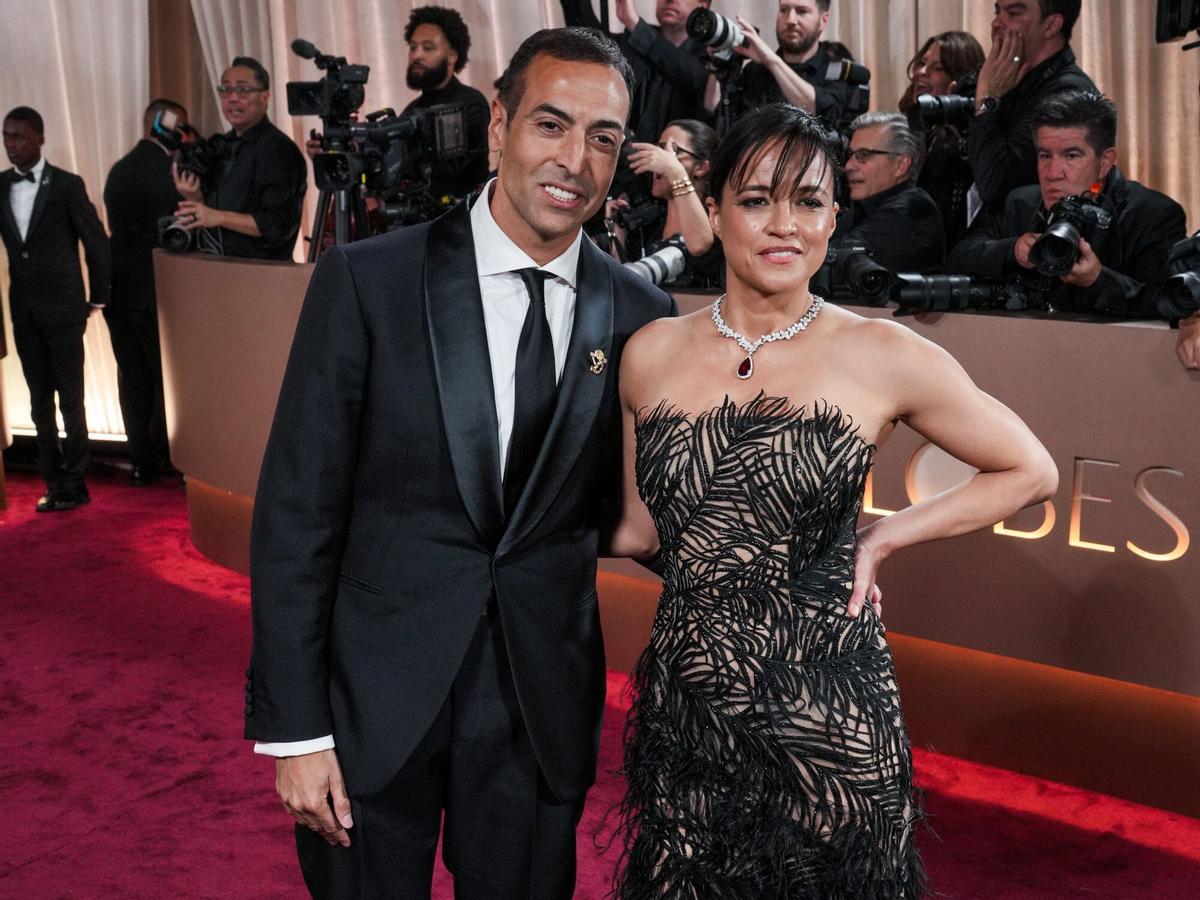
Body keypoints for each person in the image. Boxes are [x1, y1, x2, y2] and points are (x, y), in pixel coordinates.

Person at [244, 27, 674, 898]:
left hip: (536, 708)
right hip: (373, 703)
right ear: (497, 127)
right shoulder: (368, 281)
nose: (576, 160)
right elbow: (298, 511)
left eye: (602, 138)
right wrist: (296, 730)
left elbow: (645, 512)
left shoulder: (641, 311)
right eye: (551, 125)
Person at [607, 103, 1058, 894]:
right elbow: (638, 529)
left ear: (832, 218)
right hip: (693, 708)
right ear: (714, 212)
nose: (784, 225)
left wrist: (880, 540)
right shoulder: (650, 352)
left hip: (831, 715)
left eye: (809, 201)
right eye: (756, 201)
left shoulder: (878, 352)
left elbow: (1029, 469)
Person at [947, 90, 1187, 317]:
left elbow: (1171, 303)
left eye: (1071, 156)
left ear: (1105, 162)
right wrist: (1012, 251)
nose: (1052, 173)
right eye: (1045, 156)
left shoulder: (1152, 214)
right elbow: (958, 259)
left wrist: (1098, 280)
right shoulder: (1021, 203)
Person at [1, 106, 110, 512]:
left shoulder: (66, 185)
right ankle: (53, 481)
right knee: (37, 402)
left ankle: (76, 482)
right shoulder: (0, 186)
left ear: (40, 139)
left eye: (19, 137)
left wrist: (97, 297)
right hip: (25, 311)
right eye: (6, 136)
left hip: (65, 310)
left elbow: (96, 242)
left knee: (72, 399)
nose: (11, 144)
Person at [103, 98, 186, 486]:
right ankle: (175, 457)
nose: (184, 136)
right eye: (180, 128)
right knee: (166, 377)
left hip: (119, 289)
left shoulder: (118, 170)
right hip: (157, 289)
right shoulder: (170, 172)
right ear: (164, 127)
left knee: (131, 378)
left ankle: (141, 463)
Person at [968, 0, 1094, 220]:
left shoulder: (1067, 92)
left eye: (1013, 13)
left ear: (1051, 26)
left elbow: (995, 185)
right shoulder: (1009, 80)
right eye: (998, 11)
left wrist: (988, 101)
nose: (997, 22)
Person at [172, 56, 306, 260]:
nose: (232, 98)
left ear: (264, 96)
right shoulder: (221, 144)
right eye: (225, 89)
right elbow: (211, 216)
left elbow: (277, 225)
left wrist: (218, 217)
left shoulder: (278, 149)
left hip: (261, 274)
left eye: (243, 90)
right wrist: (195, 198)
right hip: (215, 268)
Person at [561, 0, 717, 143]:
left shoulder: (711, 53)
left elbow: (693, 76)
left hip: (678, 164)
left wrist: (633, 23)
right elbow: (588, 39)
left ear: (703, 4)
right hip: (626, 163)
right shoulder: (634, 41)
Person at [606, 118, 721, 285]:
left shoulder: (717, 224)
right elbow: (623, 285)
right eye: (659, 149)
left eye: (672, 151)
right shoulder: (649, 226)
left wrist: (675, 172)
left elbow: (699, 246)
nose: (659, 158)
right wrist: (618, 239)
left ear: (701, 168)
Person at [899, 31, 985, 247]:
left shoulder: (968, 142)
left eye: (937, 68)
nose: (921, 72)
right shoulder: (908, 128)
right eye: (922, 63)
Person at [833, 111, 944, 273]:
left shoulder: (911, 210)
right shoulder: (869, 205)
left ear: (901, 165)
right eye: (850, 155)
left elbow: (829, 261)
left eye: (863, 155)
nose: (849, 166)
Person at [730, 1, 866, 134]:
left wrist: (772, 62)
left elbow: (823, 116)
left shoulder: (839, 68)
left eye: (801, 11)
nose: (790, 20)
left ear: (823, 21)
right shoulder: (756, 70)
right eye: (784, 10)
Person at [402, 5, 491, 200]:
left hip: (460, 219)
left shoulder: (471, 103)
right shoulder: (410, 112)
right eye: (413, 47)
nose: (417, 55)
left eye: (428, 47)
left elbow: (452, 172)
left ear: (452, 56)